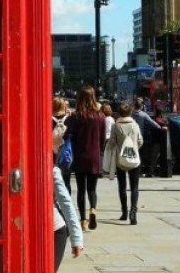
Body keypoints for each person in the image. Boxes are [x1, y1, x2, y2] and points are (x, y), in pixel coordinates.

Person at [52, 100, 84, 273]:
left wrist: (77, 239)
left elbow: (66, 204)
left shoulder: (51, 171)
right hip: (27, 231)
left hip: (55, 229)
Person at [65, 85, 106, 231]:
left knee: (81, 189)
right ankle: (93, 209)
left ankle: (83, 220)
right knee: (92, 189)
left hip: (80, 155)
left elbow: (66, 135)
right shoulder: (100, 116)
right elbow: (102, 139)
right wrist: (99, 153)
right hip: (94, 156)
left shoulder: (75, 117)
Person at [108, 103, 143, 224]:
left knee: (122, 186)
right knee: (134, 186)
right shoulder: (135, 125)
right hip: (134, 159)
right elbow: (140, 141)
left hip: (120, 159)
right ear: (130, 113)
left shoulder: (116, 125)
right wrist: (134, 148)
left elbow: (112, 142)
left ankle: (124, 212)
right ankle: (134, 210)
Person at [131, 97, 165, 176]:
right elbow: (152, 123)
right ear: (142, 106)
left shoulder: (131, 114)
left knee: (133, 154)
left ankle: (132, 170)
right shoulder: (143, 115)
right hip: (140, 137)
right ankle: (138, 172)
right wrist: (161, 127)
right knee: (139, 155)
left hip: (131, 137)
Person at [53, 97, 73, 193]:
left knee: (54, 179)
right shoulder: (69, 119)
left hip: (52, 152)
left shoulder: (48, 119)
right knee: (66, 180)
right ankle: (67, 198)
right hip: (66, 152)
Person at [146, 106, 167, 178]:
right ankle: (161, 171)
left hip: (156, 141)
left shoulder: (155, 120)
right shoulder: (164, 120)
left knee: (154, 157)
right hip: (163, 142)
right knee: (162, 157)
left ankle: (151, 172)